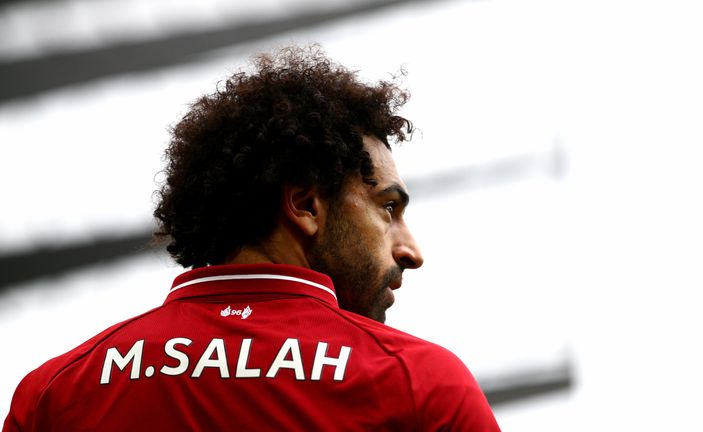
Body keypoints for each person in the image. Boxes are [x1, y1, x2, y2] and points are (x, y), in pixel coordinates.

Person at [3, 45, 500, 431]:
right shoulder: (421, 384)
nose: (410, 251)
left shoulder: (55, 393)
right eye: (387, 208)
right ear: (306, 206)